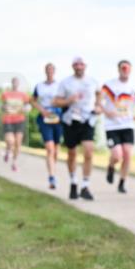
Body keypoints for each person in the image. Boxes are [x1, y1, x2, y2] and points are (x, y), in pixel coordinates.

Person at [52, 57, 101, 200]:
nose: (79, 67)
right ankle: (73, 182)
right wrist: (68, 100)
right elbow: (55, 101)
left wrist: (98, 106)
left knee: (88, 151)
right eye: (76, 64)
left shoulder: (92, 81)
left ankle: (85, 185)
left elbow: (99, 93)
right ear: (73, 66)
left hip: (87, 120)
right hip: (70, 120)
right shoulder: (66, 83)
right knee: (72, 153)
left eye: (81, 64)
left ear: (85, 66)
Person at [101, 60, 135, 194]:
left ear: (130, 70)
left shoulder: (134, 87)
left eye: (127, 69)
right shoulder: (109, 85)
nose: (125, 71)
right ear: (118, 69)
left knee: (127, 154)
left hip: (127, 124)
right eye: (123, 68)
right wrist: (107, 112)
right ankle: (111, 166)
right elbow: (98, 102)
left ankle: (122, 182)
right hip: (112, 125)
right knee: (117, 155)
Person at [32, 63, 63, 190]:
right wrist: (42, 110)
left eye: (52, 70)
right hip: (45, 118)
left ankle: (53, 168)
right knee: (49, 148)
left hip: (57, 118)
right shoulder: (39, 86)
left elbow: (64, 100)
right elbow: (32, 100)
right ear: (45, 71)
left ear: (54, 71)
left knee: (55, 149)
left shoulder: (60, 86)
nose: (50, 72)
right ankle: (51, 176)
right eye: (48, 70)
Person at [0, 78, 30, 171]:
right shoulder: (6, 94)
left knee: (18, 143)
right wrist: (4, 108)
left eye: (17, 82)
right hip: (8, 119)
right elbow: (1, 106)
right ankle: (8, 151)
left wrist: (27, 109)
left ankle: (14, 162)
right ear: (12, 83)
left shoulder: (23, 95)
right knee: (11, 141)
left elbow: (28, 106)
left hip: (19, 119)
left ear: (18, 84)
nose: (15, 84)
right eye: (14, 82)